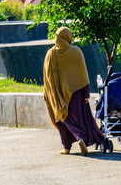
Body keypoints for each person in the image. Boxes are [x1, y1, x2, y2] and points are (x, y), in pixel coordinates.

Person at [43, 27, 104, 156]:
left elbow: (47, 77)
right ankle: (84, 137)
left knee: (62, 118)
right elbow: (83, 74)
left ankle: (67, 147)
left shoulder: (50, 54)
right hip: (76, 94)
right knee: (83, 119)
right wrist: (86, 93)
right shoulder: (76, 51)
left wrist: (47, 94)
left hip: (58, 96)